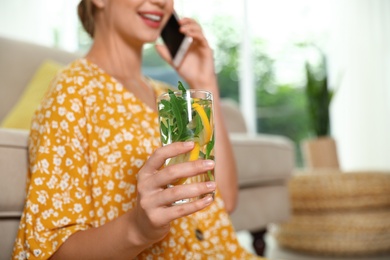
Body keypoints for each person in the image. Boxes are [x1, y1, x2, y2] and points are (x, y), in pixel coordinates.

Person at [12, 0, 262, 259]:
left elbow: (224, 200)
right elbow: (48, 251)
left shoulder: (168, 96)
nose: (162, 2)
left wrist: (204, 81)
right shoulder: (73, 90)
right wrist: (138, 229)